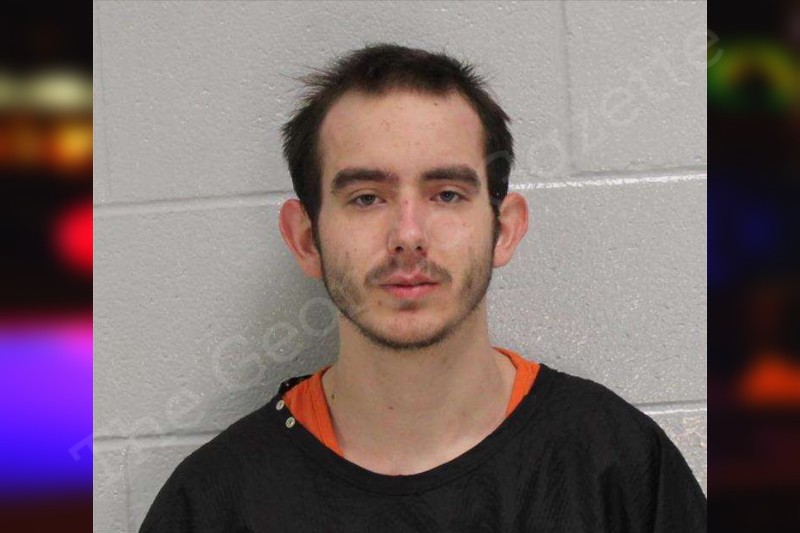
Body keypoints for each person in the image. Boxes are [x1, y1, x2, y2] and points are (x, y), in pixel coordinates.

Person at [140, 43, 706, 532]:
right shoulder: (215, 503)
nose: (408, 236)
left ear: (504, 230)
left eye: (447, 194)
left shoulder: (618, 464)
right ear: (307, 239)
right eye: (366, 197)